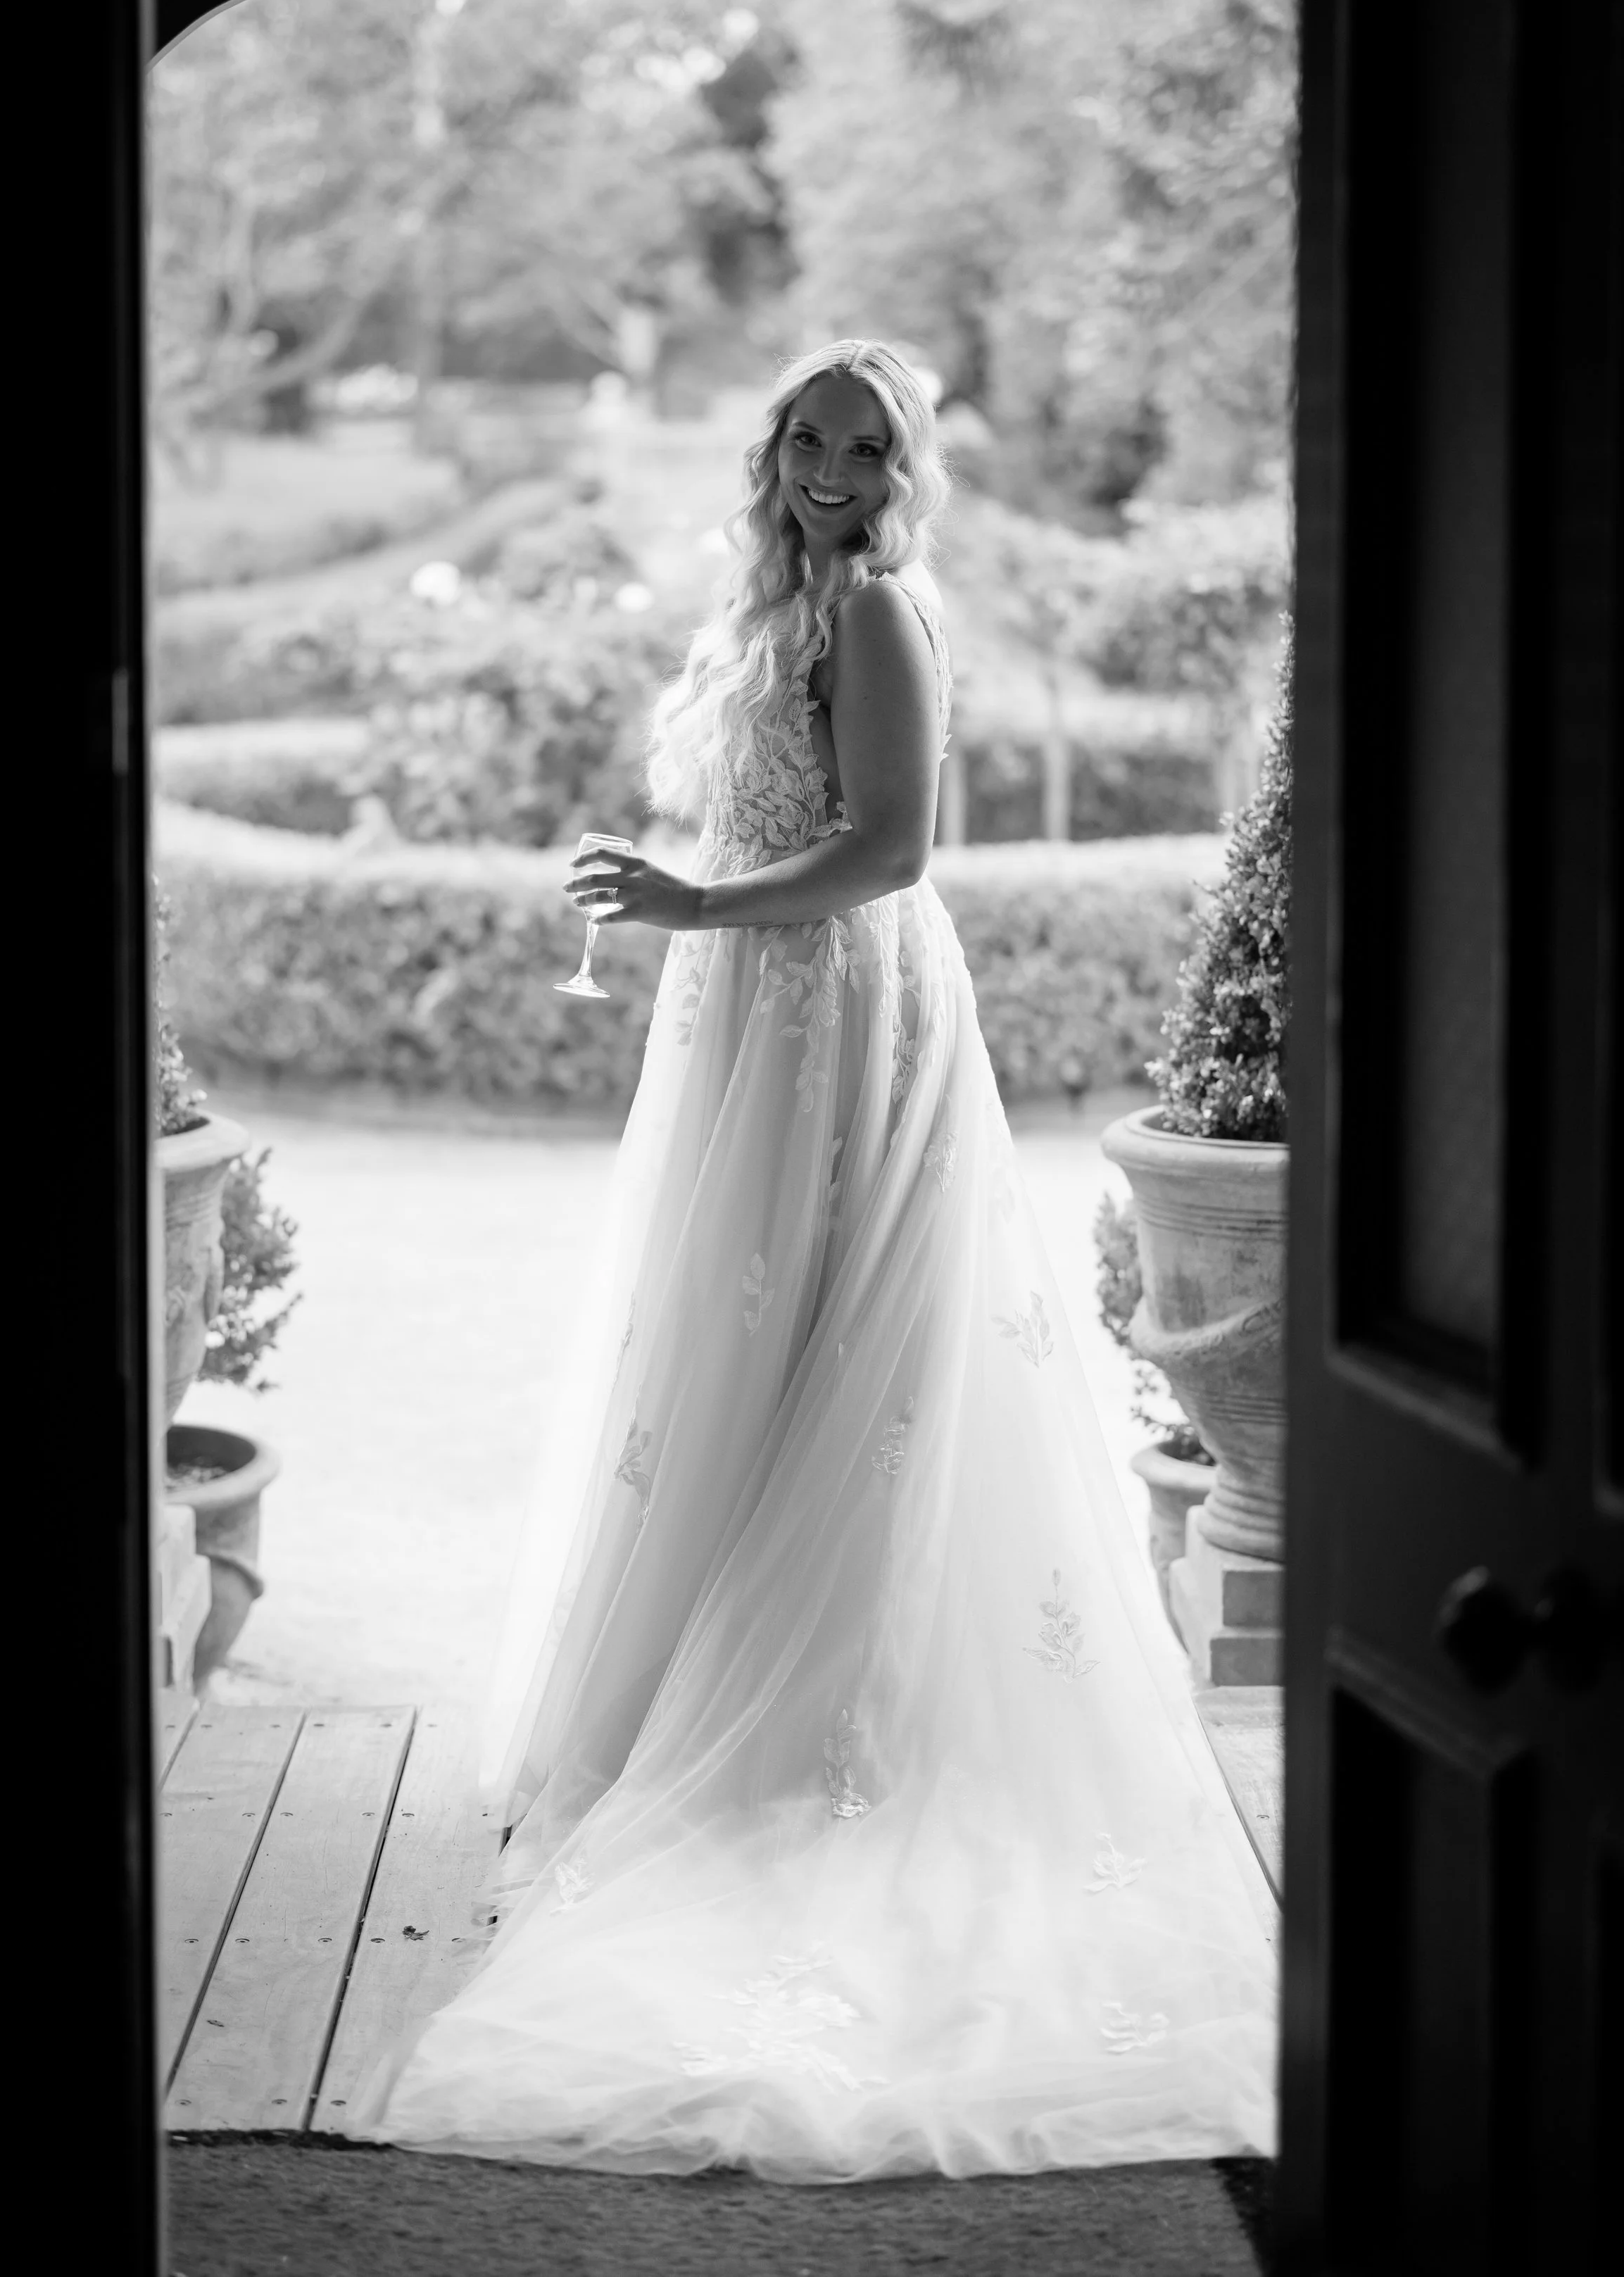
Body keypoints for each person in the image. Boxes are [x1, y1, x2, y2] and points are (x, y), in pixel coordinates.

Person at [367, 339, 1276, 2178]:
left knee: (831, 1348)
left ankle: (816, 1727)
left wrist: (699, 902)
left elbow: (886, 849)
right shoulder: (770, 594)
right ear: (771, 444)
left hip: (836, 999)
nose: (833, 466)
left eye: (867, 443)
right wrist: (694, 902)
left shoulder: (877, 610)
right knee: (727, 1344)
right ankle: (687, 1704)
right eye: (809, 433)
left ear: (903, 465)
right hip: (748, 1003)